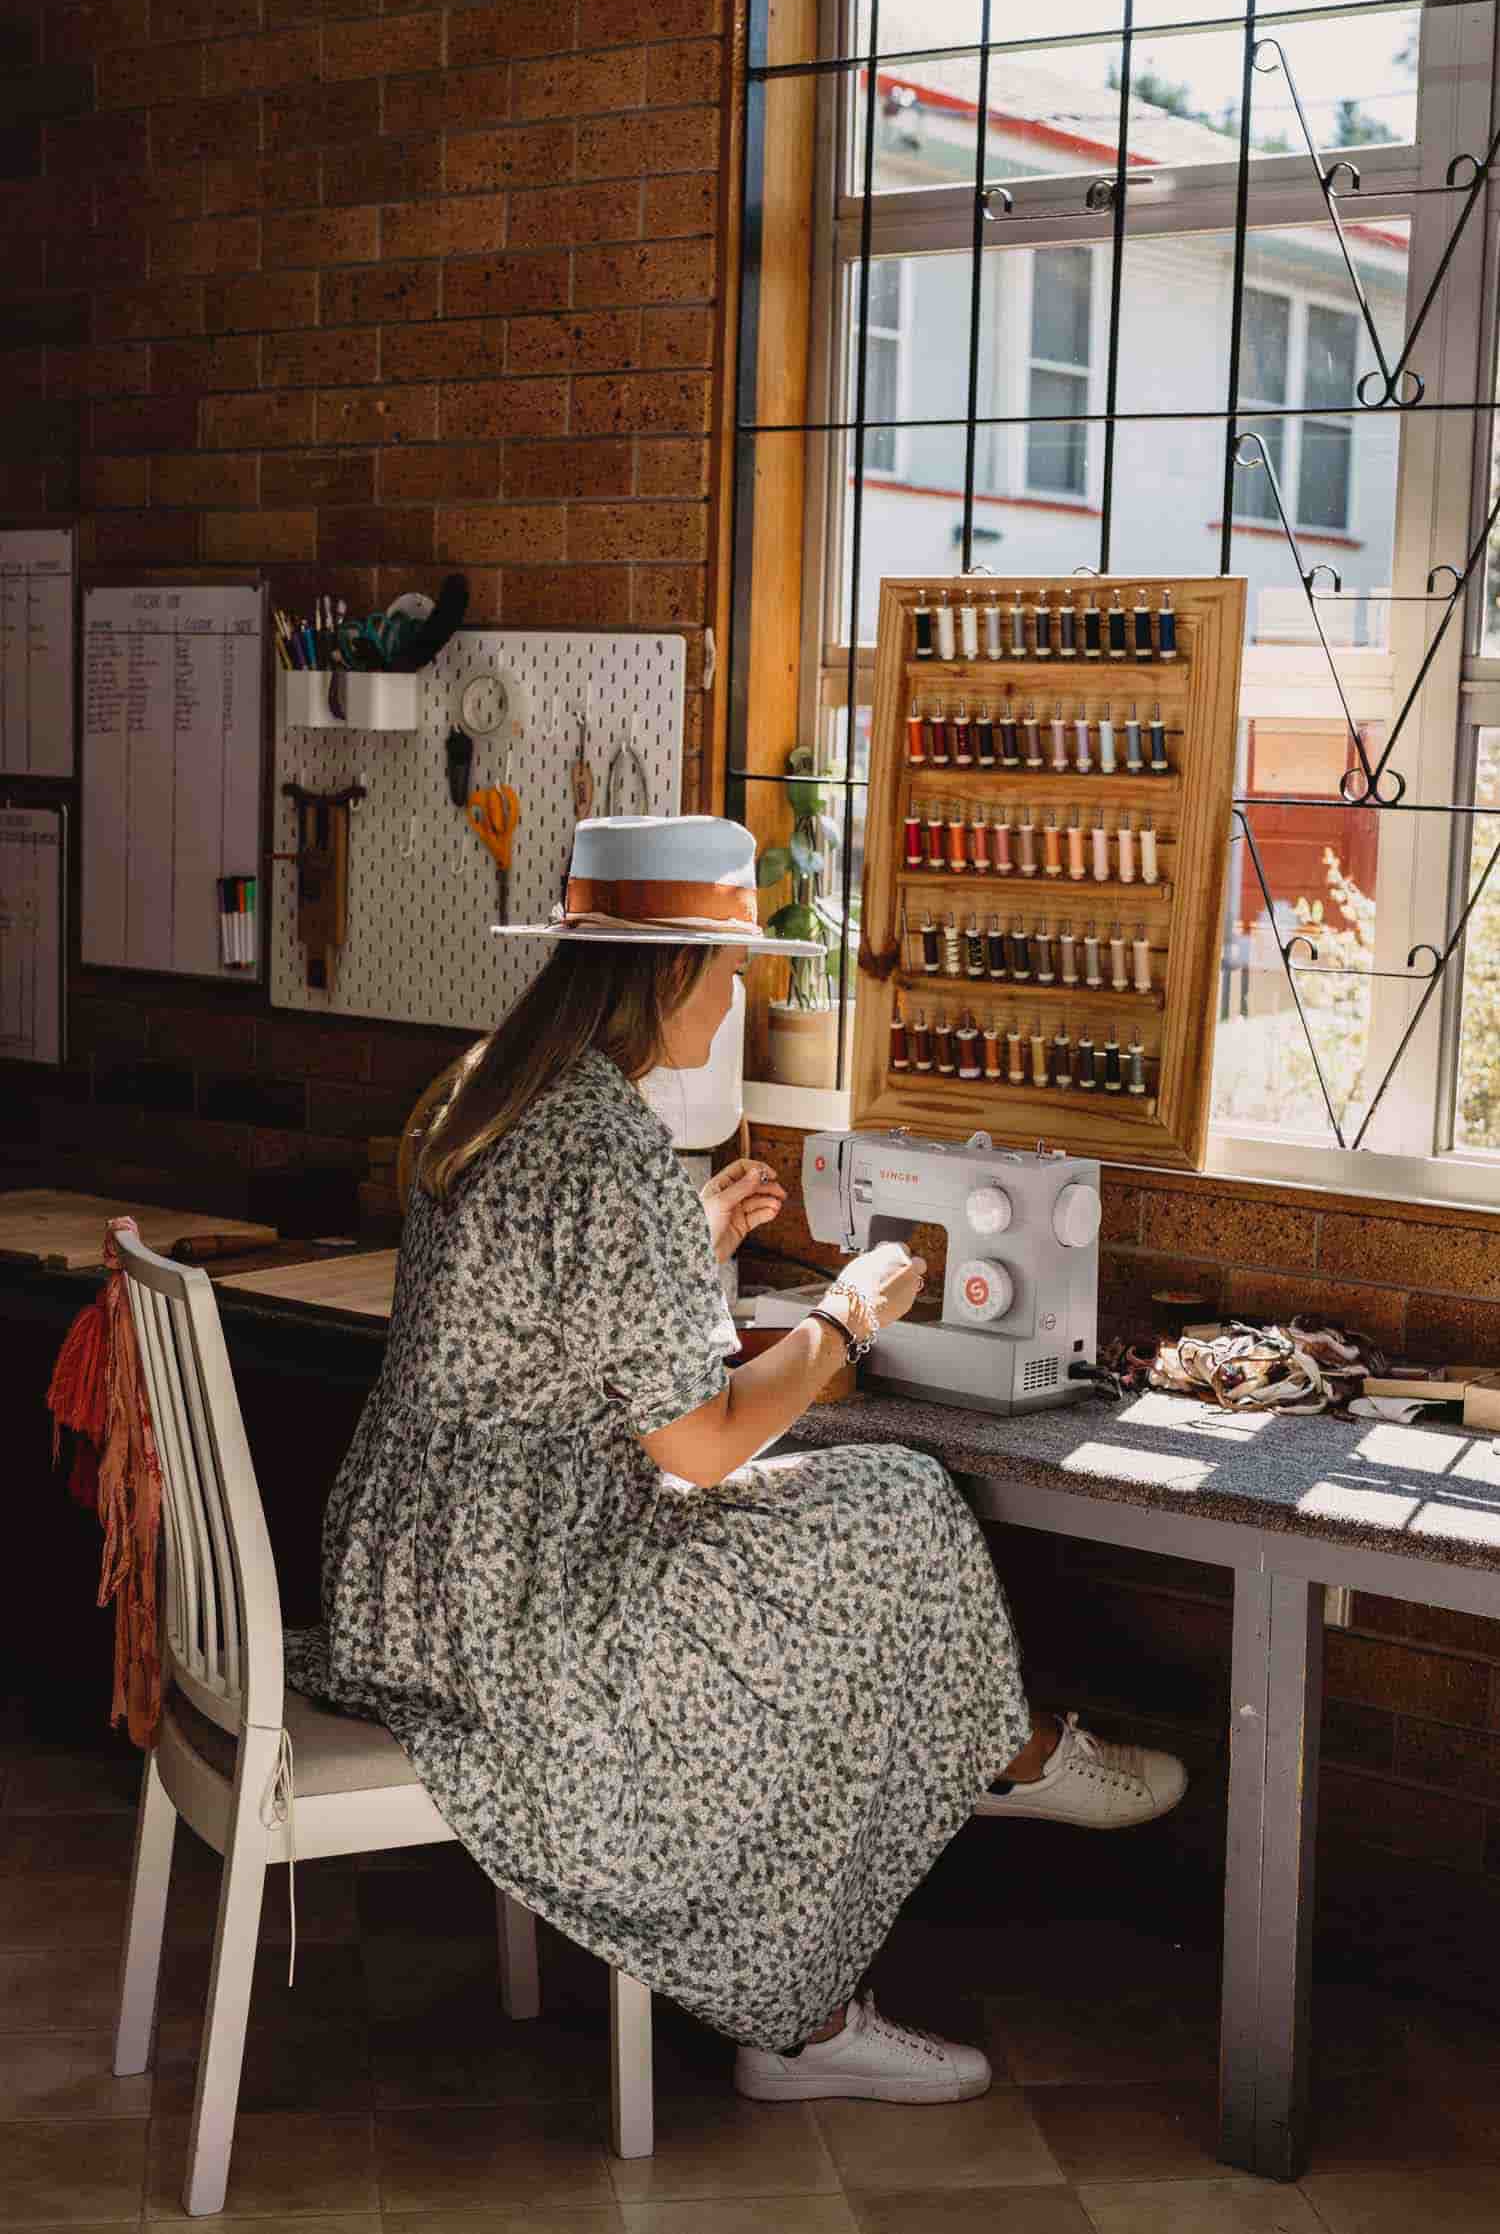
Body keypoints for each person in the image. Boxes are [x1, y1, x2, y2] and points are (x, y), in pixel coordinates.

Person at [287, 815, 1185, 2106]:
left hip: (406, 1576)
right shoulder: (603, 1146)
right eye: (728, 968)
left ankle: (981, 1766)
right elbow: (700, 1447)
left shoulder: (479, 1091)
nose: (737, 996)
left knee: (841, 1548)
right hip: (525, 1614)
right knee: (893, 1508)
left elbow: (551, 1309)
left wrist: (683, 1236)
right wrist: (846, 1321)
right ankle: (851, 1949)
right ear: (666, 972)